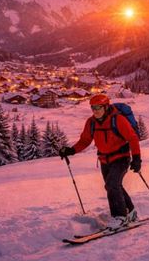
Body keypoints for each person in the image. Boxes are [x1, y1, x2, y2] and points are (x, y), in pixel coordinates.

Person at [59, 94, 141, 230]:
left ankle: (120, 217)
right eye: (93, 108)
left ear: (106, 107)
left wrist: (137, 158)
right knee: (114, 186)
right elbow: (85, 140)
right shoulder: (91, 123)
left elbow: (132, 138)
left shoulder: (118, 120)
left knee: (112, 184)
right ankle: (131, 211)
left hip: (121, 157)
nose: (95, 111)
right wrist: (71, 150)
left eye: (98, 107)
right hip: (104, 159)